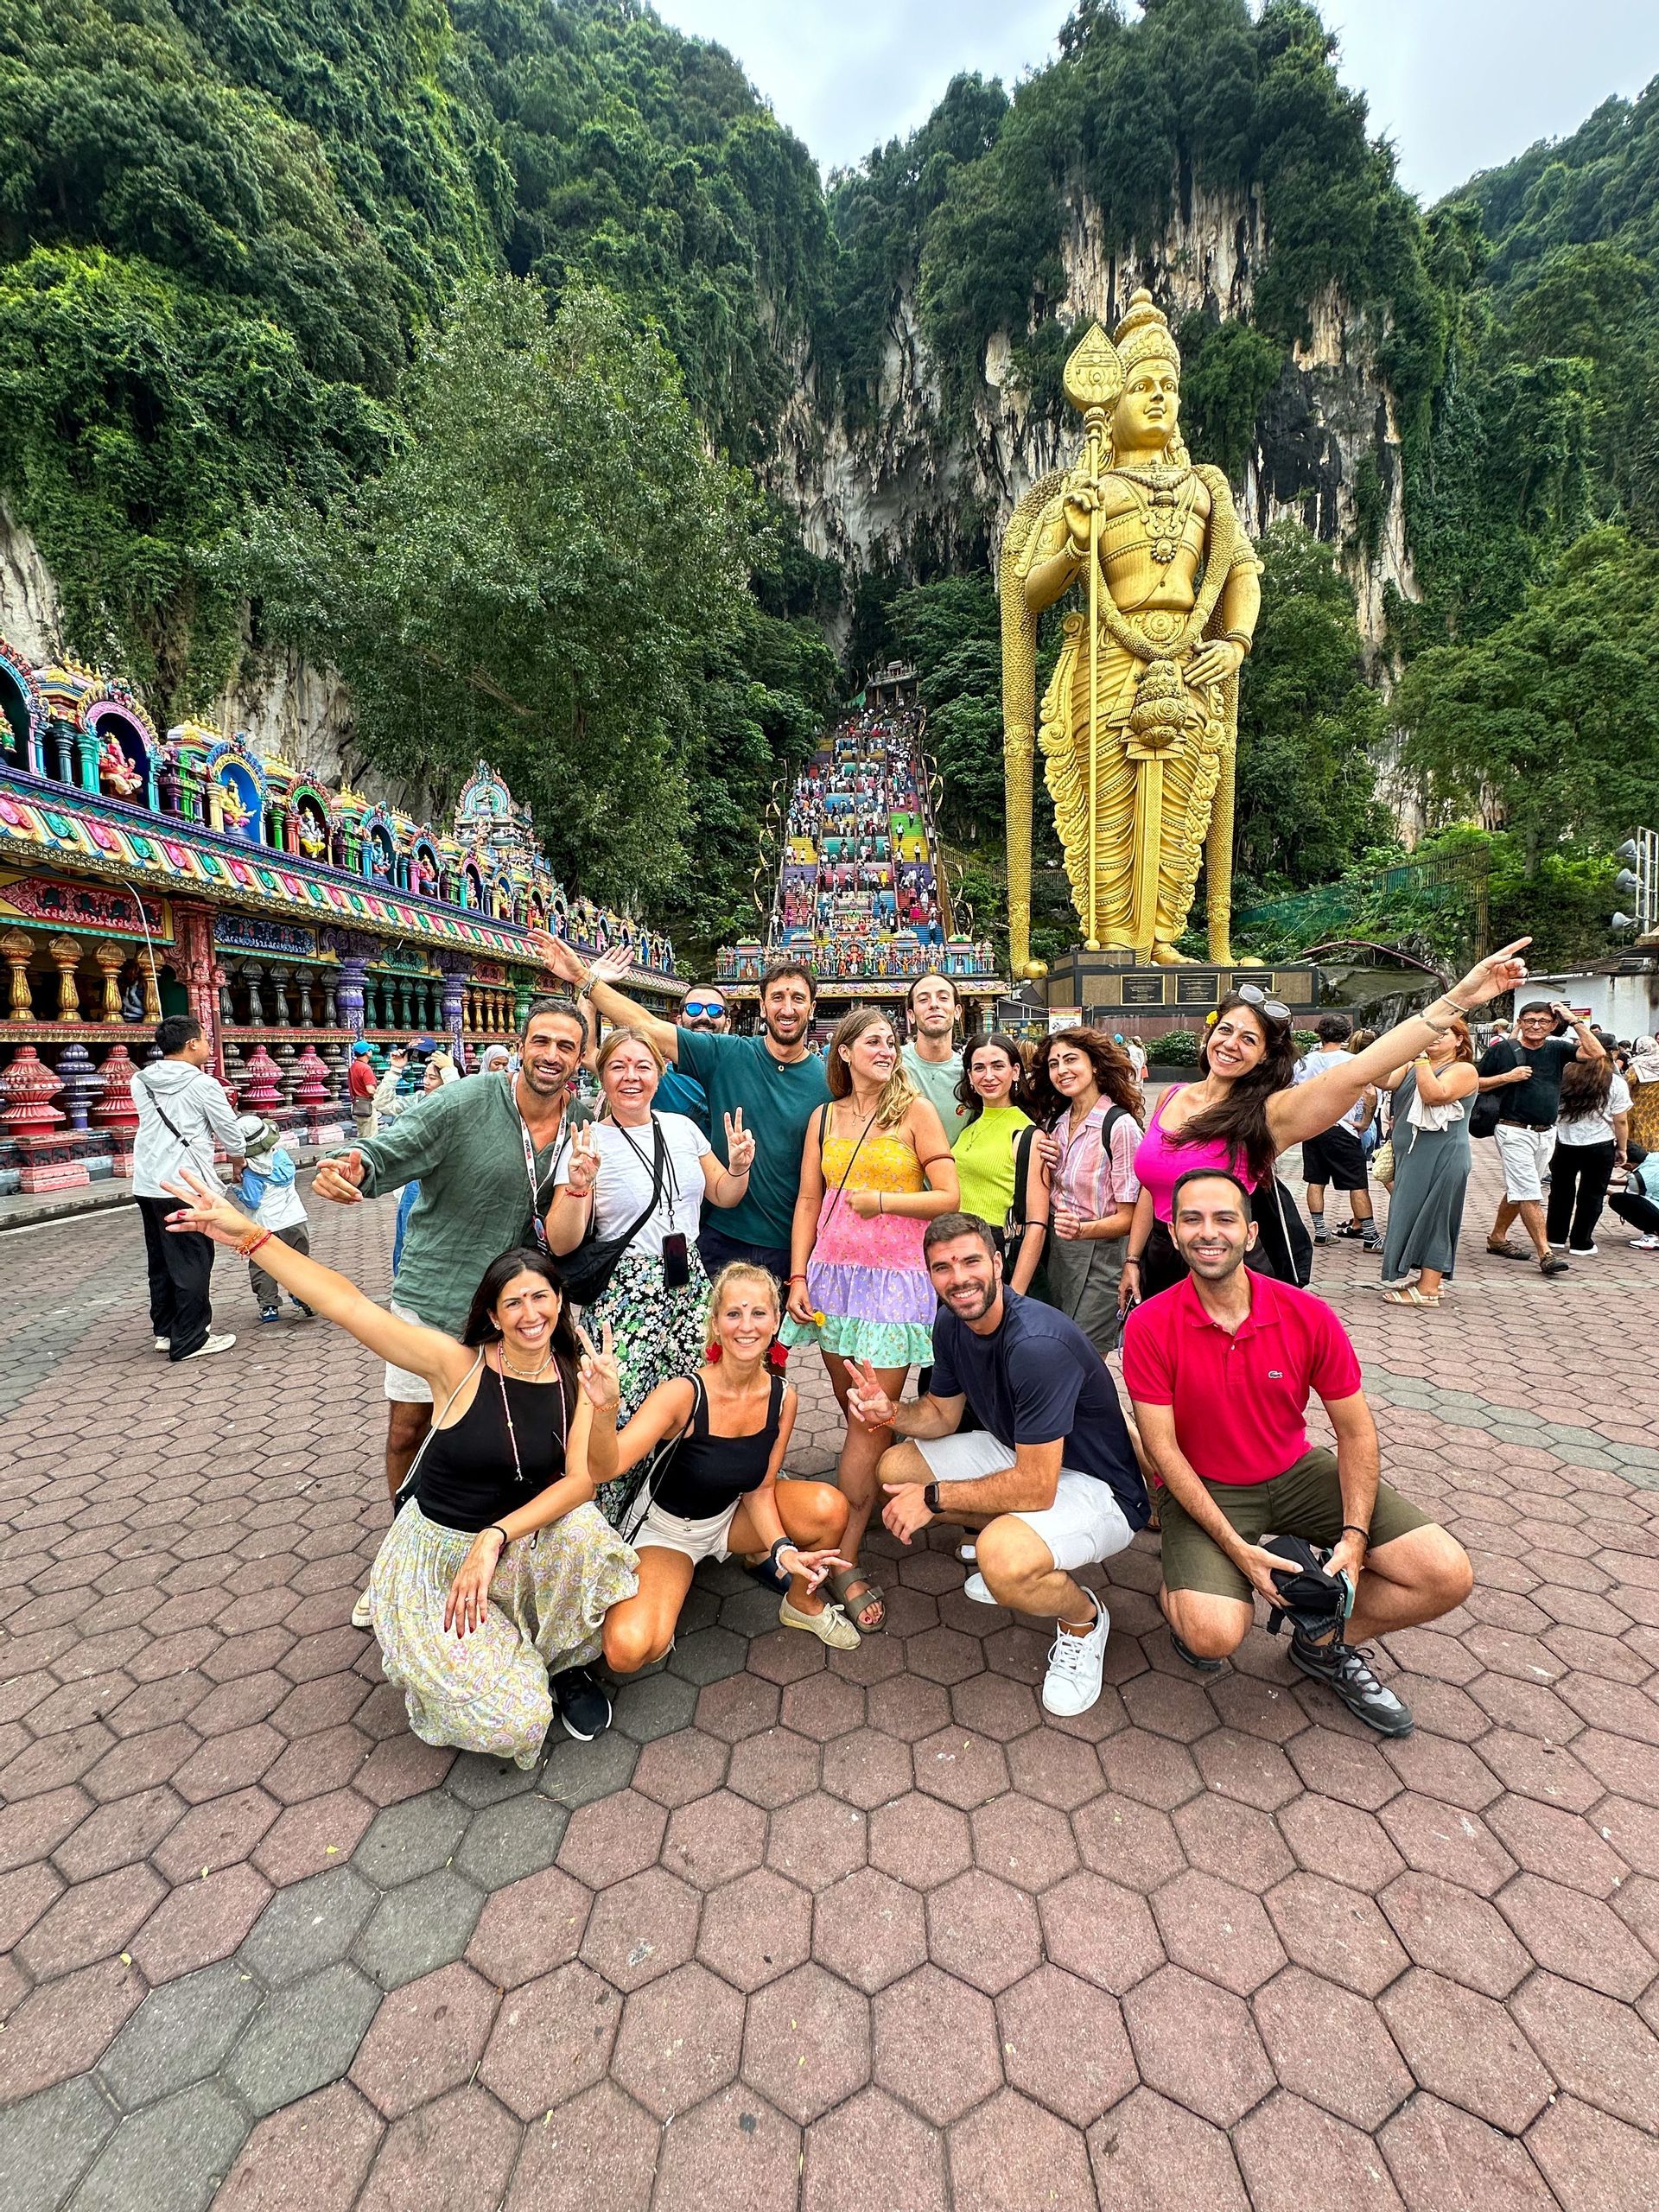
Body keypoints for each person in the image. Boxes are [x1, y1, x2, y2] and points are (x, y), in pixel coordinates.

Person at [164, 1175, 635, 1749]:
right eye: (513, 1302)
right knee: (518, 1719)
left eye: (540, 1297)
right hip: (434, 1560)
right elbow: (347, 1304)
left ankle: (558, 1662)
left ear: (559, 1302)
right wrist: (249, 1235)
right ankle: (471, 1651)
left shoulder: (576, 1373)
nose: (529, 1313)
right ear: (493, 1314)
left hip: (510, 1543)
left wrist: (604, 1409)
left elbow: (586, 1480)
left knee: (584, 1531)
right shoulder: (454, 1364)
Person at [1122, 1168, 1474, 1736]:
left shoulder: (1307, 1315)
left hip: (1294, 1471)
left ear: (1251, 1234)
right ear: (1174, 1231)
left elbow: (1356, 1433)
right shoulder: (1149, 1324)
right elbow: (1162, 1450)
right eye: (1192, 1219)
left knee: (1445, 1574)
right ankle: (1185, 1589)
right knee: (1212, 1634)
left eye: (1224, 1219)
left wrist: (1355, 1539)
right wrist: (1239, 1552)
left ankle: (1323, 1642)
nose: (1208, 1232)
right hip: (1203, 1483)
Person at [1121, 942, 1535, 1306]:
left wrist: (1459, 998)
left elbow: (1360, 1070)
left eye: (1249, 1039)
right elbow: (1151, 1188)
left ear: (1265, 1056)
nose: (1231, 1044)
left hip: (1224, 1267)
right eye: (1225, 1030)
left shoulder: (1269, 1113)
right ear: (1209, 1034)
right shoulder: (1172, 1096)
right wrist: (1133, 1260)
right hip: (1161, 1258)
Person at [863, 1214, 1148, 1718]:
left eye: (971, 1261)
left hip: (1100, 1488)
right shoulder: (952, 1321)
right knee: (895, 1468)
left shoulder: (1036, 1345)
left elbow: (1037, 1488)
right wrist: (891, 1413)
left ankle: (1083, 1620)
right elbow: (941, 1414)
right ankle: (1018, 1555)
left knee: (1000, 1556)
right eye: (943, 1267)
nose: (959, 1279)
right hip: (1024, 1454)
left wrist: (935, 1499)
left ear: (998, 1263)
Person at [313, 997, 588, 1521]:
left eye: (565, 1046)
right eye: (541, 1041)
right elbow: (389, 1149)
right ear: (520, 1048)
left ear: (578, 1059)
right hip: (437, 1297)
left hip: (512, 1312)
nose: (551, 1054)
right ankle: (405, 1533)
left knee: (498, 1429)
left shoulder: (580, 1123)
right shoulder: (464, 1101)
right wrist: (350, 1167)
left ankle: (483, 1529)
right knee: (409, 1428)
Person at [784, 1008, 960, 1633]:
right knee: (852, 1408)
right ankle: (872, 1494)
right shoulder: (824, 1116)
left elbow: (949, 1196)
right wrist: (798, 1276)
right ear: (845, 1051)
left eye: (891, 1041)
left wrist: (882, 1200)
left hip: (893, 1285)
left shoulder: (915, 1112)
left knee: (865, 1421)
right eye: (874, 1041)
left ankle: (843, 1558)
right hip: (833, 1279)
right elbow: (810, 1198)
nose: (886, 1049)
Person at [531, 933, 828, 1287]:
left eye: (798, 998)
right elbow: (647, 1027)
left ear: (812, 1008)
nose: (787, 1008)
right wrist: (583, 978)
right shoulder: (727, 1055)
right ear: (763, 1006)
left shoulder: (829, 1081)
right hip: (719, 1235)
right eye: (777, 997)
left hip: (789, 1239)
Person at [603, 1264, 860, 1669]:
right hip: (669, 1532)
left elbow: (761, 1488)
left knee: (830, 1507)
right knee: (628, 1650)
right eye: (734, 1313)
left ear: (775, 1322)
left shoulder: (784, 1397)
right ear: (716, 1324)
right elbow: (609, 1464)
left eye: (758, 1313)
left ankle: (800, 1603)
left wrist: (782, 1550)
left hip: (730, 1517)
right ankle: (665, 1591)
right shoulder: (683, 1393)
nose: (747, 1326)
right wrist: (601, 1407)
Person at [545, 1026, 756, 1462]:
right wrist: (579, 1185)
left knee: (694, 1400)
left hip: (690, 1286)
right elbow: (562, 1244)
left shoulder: (682, 1129)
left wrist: (739, 1168)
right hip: (627, 1294)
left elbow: (724, 1194)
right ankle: (614, 1492)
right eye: (618, 1066)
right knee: (622, 1408)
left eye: (643, 1066)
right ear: (602, 1075)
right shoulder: (588, 1143)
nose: (631, 1077)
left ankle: (679, 1491)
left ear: (659, 1074)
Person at [132, 1013, 245, 1361]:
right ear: (192, 1044)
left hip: (148, 1182)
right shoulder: (203, 1084)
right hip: (186, 1184)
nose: (209, 1046)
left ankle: (167, 1331)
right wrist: (238, 1160)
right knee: (193, 1259)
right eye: (206, 1040)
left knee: (162, 1259)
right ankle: (191, 1338)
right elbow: (229, 1131)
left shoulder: (141, 1080)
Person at [1025, 1027, 1143, 1355]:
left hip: (1101, 1257)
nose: (1061, 1070)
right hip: (1058, 1254)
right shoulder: (1056, 1124)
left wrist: (1082, 1230)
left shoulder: (1119, 1126)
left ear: (1095, 1065)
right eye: (1054, 1064)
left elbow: (1131, 1217)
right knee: (1055, 1347)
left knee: (1082, 1356)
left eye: (1071, 1060)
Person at [1478, 997, 1606, 1274]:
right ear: (1520, 1022)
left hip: (1546, 1132)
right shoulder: (1501, 1051)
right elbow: (1475, 1083)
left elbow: (1596, 1053)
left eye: (1543, 1021)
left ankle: (1497, 1237)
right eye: (1530, 1020)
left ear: (1552, 1025)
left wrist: (1573, 1020)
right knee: (1529, 1191)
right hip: (1512, 1129)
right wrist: (1507, 1077)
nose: (1536, 1026)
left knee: (1522, 1188)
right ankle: (1545, 1253)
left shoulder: (1558, 1049)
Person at [1376, 1020, 1478, 1306]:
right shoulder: (1412, 1066)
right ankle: (1427, 1279)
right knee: (1412, 1214)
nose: (1434, 1038)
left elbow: (1435, 1095)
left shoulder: (1463, 1070)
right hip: (1413, 1157)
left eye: (1443, 1033)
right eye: (1431, 1034)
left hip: (1443, 1156)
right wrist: (1393, 1049)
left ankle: (1429, 1289)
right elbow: (1382, 1079)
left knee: (1436, 1217)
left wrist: (1420, 1058)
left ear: (1459, 1040)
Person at [951, 1032, 1047, 1292]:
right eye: (979, 1068)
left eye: (997, 1066)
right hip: (956, 1246)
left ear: (1015, 1072)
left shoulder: (1029, 1136)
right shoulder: (968, 1127)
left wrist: (1014, 1294)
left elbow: (1036, 1225)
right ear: (970, 1076)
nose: (989, 1076)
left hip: (994, 1251)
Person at [1292, 1014, 1380, 1251]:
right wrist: (1365, 1121)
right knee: (1357, 1183)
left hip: (1312, 1127)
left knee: (1315, 1180)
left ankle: (1321, 1232)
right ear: (1347, 1035)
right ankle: (1371, 1237)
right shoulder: (1354, 1062)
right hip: (1343, 1128)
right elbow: (1370, 1094)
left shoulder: (1304, 1062)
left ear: (1319, 1033)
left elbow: (1291, 1091)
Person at [1546, 1036, 1630, 1256]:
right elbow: (1620, 1120)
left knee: (1560, 1191)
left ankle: (1555, 1236)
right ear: (1611, 1053)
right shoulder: (1615, 1082)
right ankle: (1581, 1242)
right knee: (1592, 1194)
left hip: (1563, 1142)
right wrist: (1622, 1148)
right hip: (1599, 1145)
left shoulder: (1565, 1076)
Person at [231, 1114, 315, 1323]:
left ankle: (269, 1305)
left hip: (265, 1226)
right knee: (299, 1261)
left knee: (263, 1266)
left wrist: (237, 1187)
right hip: (295, 1220)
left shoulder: (252, 1172)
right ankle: (303, 1293)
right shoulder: (283, 1157)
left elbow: (252, 1202)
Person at [655, 984, 729, 1135]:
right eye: (694, 1009)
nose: (704, 1017)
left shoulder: (745, 1070)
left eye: (715, 1011)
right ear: (679, 1021)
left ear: (727, 1024)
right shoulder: (659, 1077)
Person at [901, 973, 966, 1137]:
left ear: (957, 1011)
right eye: (923, 1000)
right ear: (911, 1015)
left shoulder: (971, 1072)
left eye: (943, 998)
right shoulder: (893, 1064)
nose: (934, 1005)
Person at [1608, 1141, 1659, 1249]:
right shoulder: (1655, 1157)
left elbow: (1632, 1200)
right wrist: (1617, 1182)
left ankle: (1653, 1237)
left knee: (1618, 1199)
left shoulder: (1639, 1178)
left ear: (1628, 1165)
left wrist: (1605, 1190)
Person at [1627, 1036, 1659, 1154]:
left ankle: (1641, 1153)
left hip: (1640, 1103)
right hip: (1656, 1102)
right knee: (1655, 1125)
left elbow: (1628, 1082)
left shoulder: (1637, 1065)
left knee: (1640, 1126)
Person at [347, 1040, 379, 1140]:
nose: (371, 1052)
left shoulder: (353, 1066)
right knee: (370, 1138)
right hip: (367, 1105)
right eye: (370, 1050)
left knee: (361, 1135)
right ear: (367, 1053)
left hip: (357, 1105)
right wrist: (381, 1095)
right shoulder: (366, 1068)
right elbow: (370, 1090)